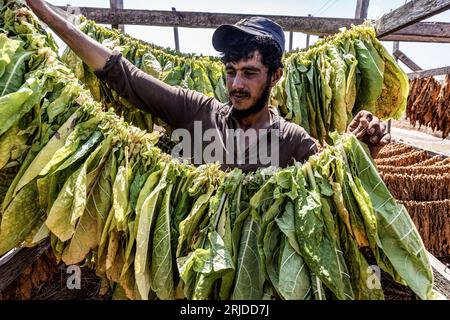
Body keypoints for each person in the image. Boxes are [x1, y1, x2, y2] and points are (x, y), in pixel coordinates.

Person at [26, 0, 390, 172]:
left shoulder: (293, 140)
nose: (235, 84)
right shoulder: (198, 112)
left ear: (275, 76)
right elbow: (124, 76)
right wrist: (46, 14)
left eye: (249, 73)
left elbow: (341, 183)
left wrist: (364, 151)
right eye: (230, 71)